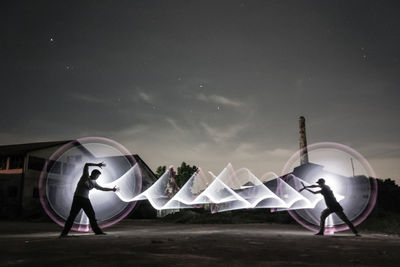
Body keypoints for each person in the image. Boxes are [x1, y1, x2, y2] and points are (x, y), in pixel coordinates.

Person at [60, 162, 118, 237]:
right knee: (72, 216)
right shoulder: (85, 176)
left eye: (98, 176)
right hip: (78, 198)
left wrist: (112, 189)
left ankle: (97, 231)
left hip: (85, 200)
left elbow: (102, 188)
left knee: (91, 215)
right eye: (97, 176)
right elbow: (86, 164)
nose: (97, 177)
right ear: (93, 174)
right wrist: (97, 165)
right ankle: (64, 233)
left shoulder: (94, 183)